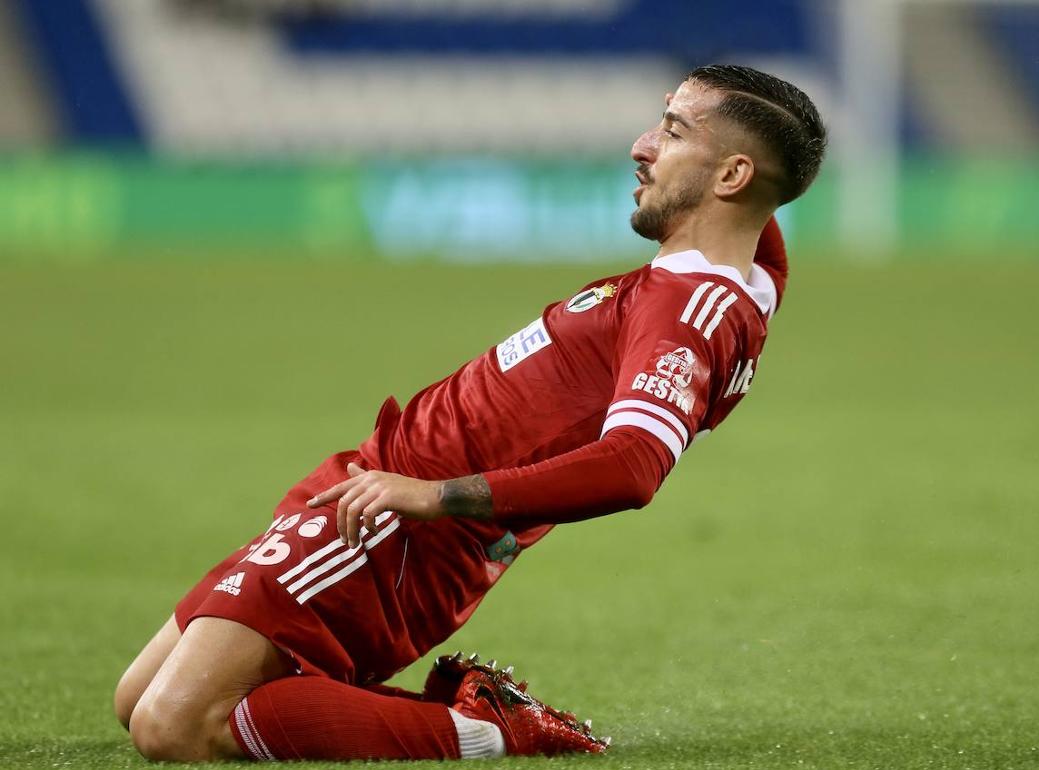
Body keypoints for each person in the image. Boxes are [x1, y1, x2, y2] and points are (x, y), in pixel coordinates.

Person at [113, 63, 826, 762]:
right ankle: (428, 713)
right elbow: (763, 209)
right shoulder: (748, 279)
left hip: (400, 527)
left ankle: (489, 730)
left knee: (174, 727)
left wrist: (433, 495)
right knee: (139, 698)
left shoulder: (685, 308)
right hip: (379, 489)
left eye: (671, 132)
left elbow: (633, 467)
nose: (642, 145)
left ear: (732, 177)